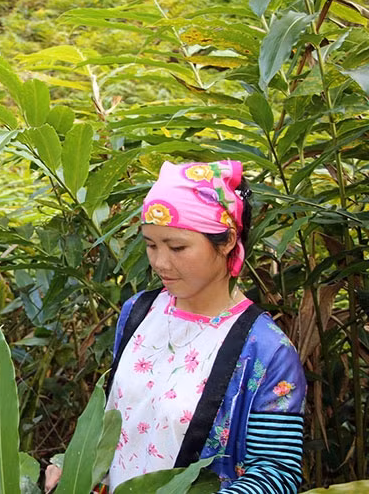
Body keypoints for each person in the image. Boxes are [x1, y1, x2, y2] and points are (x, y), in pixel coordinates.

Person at [48, 161, 306, 493]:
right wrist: (73, 467)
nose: (160, 262)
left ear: (227, 240)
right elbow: (120, 418)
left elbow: (277, 473)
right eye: (151, 245)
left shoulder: (266, 350)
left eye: (177, 247)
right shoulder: (139, 311)